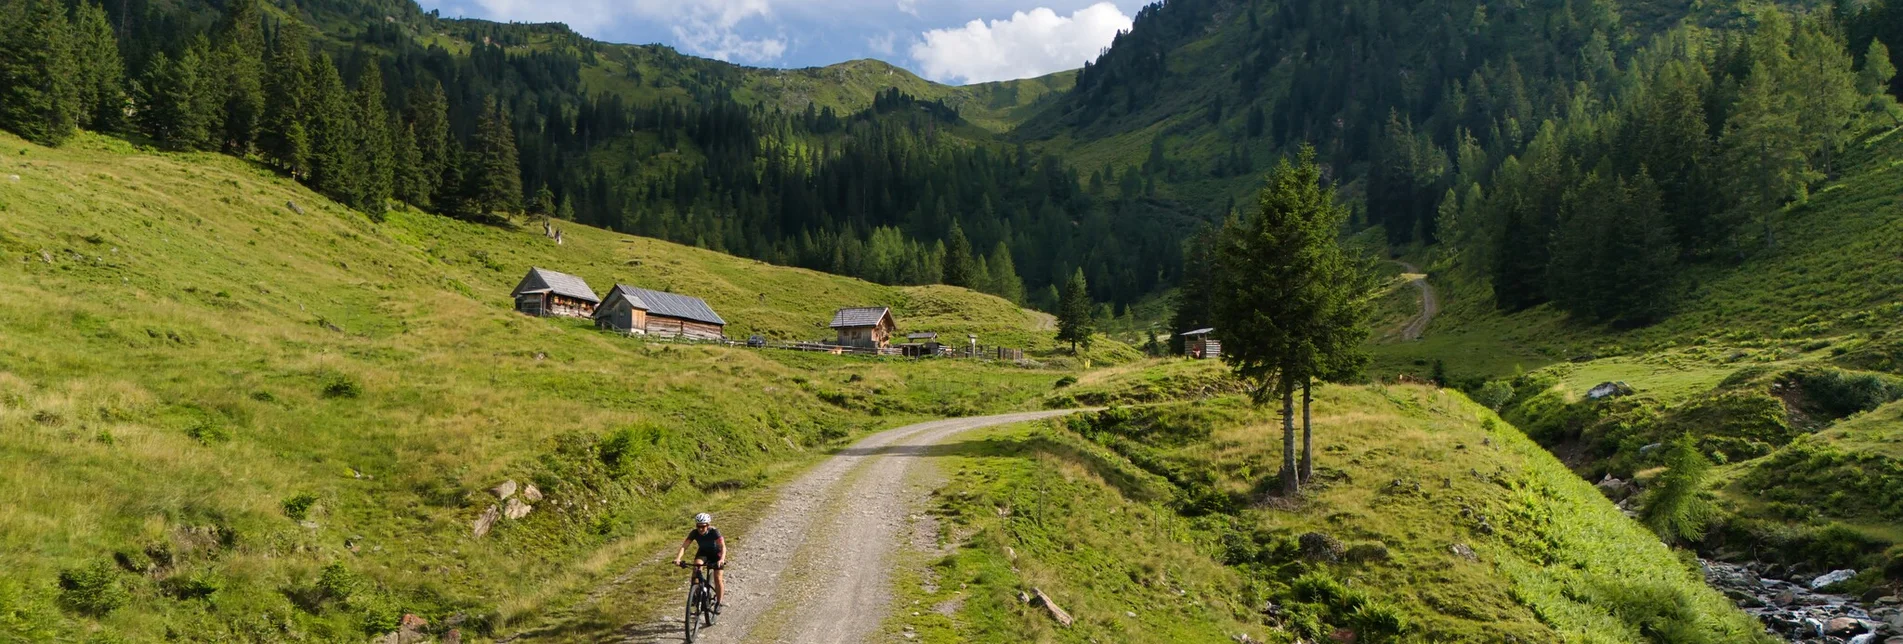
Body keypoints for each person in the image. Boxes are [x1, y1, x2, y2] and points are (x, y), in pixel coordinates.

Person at [674, 512, 726, 612]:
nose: (700, 529)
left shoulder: (714, 532)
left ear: (708, 525)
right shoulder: (694, 533)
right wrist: (678, 558)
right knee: (696, 569)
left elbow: (723, 546)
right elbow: (684, 546)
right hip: (703, 553)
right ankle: (695, 594)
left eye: (703, 526)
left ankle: (719, 603)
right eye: (698, 526)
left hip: (716, 555)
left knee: (718, 578)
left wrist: (721, 559)